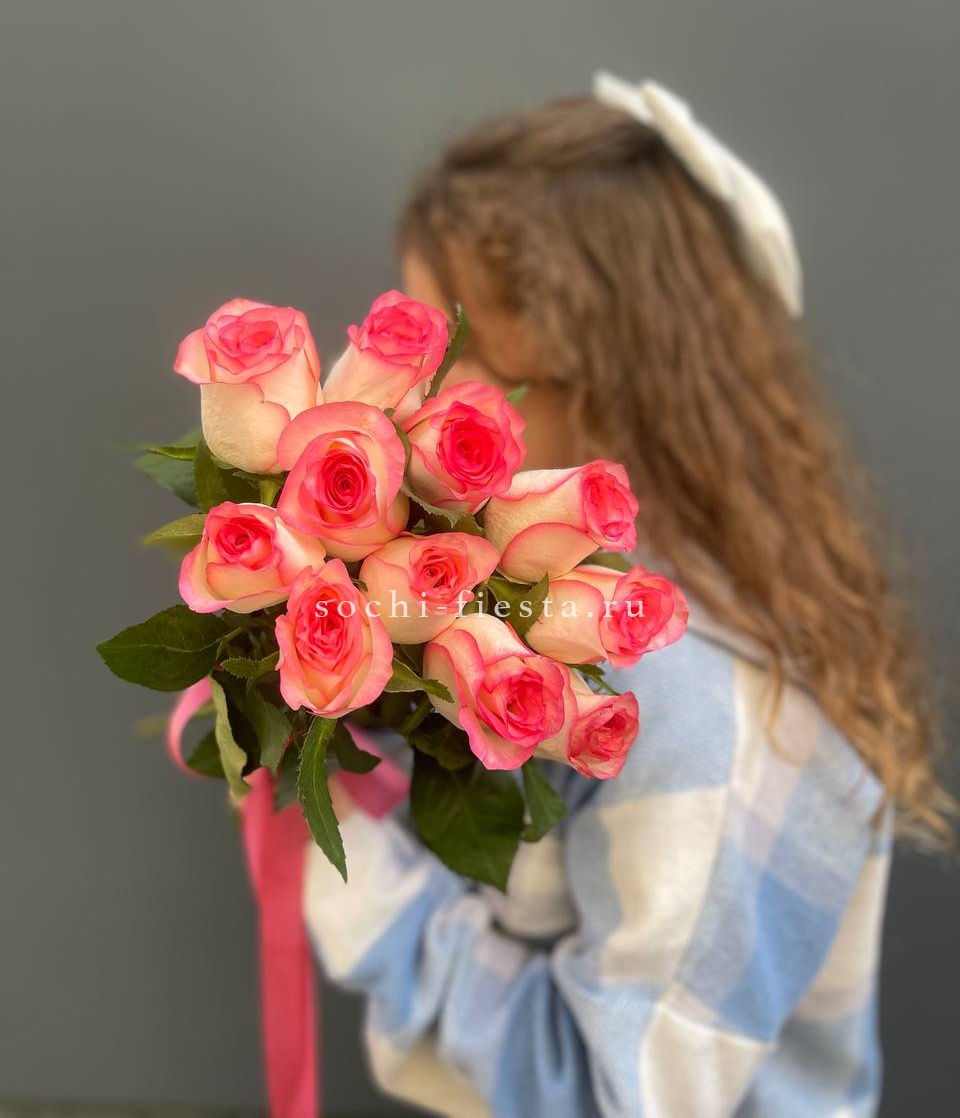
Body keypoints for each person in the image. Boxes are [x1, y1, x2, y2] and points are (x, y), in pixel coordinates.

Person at [302, 74, 952, 1117]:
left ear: (595, 379)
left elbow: (617, 1099)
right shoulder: (560, 599)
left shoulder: (708, 716)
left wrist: (362, 878)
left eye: (454, 353)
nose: (407, 394)